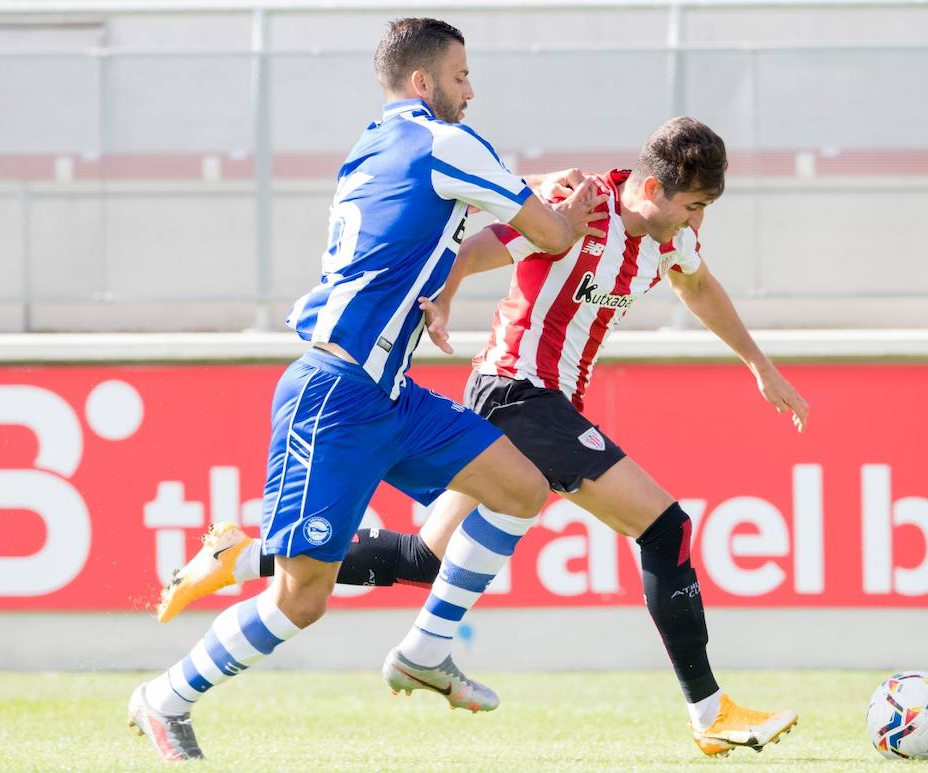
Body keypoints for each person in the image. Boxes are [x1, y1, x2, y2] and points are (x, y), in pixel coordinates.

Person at [160, 117, 811, 758]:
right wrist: (443, 298)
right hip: (517, 393)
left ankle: (246, 557)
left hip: (540, 404)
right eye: (693, 206)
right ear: (653, 188)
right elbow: (479, 246)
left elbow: (698, 286)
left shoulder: (670, 242)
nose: (698, 223)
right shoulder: (583, 210)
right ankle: (709, 710)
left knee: (425, 557)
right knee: (665, 526)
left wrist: (759, 364)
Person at [127, 17, 604, 762]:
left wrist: (481, 253)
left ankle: (428, 648)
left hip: (390, 392)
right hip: (336, 394)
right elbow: (546, 234)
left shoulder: (371, 145)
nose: (470, 90)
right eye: (460, 76)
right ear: (423, 83)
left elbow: (432, 236)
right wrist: (566, 213)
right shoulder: (444, 141)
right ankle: (166, 696)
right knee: (303, 598)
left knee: (519, 487)